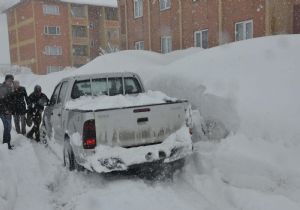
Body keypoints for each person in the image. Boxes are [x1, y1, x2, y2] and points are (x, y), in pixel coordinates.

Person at [0, 74, 14, 149]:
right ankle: (6, 144)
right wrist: (5, 110)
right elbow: (1, 101)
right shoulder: (2, 88)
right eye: (9, 80)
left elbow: (11, 100)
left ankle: (7, 143)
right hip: (3, 111)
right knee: (7, 127)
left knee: (8, 127)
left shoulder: (10, 88)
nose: (10, 82)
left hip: (8, 111)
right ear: (6, 80)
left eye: (11, 81)